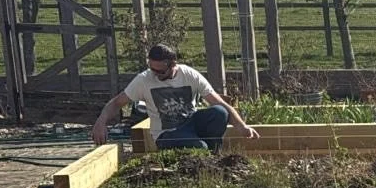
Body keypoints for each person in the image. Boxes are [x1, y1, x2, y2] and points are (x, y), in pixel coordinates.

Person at [91, 44, 260, 151]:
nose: (155, 74)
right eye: (152, 69)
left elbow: (220, 103)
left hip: (190, 123)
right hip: (167, 134)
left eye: (160, 71)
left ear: (173, 65)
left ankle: (213, 151)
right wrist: (100, 122)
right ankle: (205, 152)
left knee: (219, 112)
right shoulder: (144, 80)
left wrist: (242, 127)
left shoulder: (189, 75)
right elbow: (116, 102)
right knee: (199, 148)